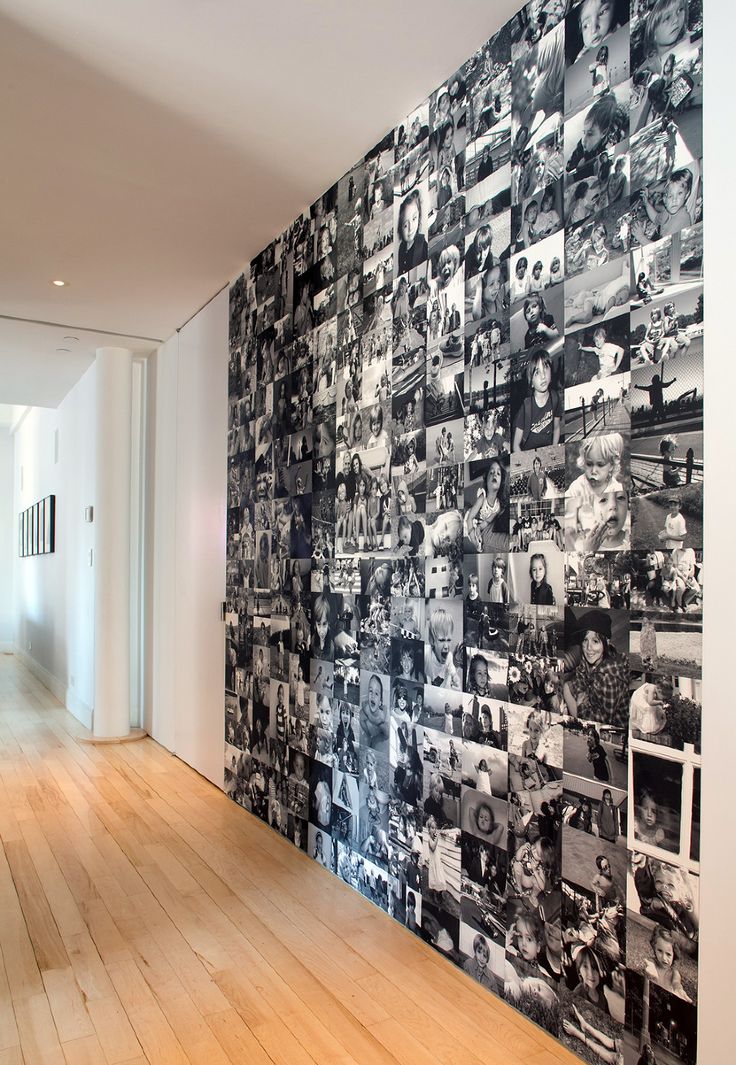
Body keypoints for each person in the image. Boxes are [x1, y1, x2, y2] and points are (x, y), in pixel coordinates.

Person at [563, 609, 629, 727]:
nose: (589, 648)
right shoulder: (589, 656)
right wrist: (581, 694)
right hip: (590, 703)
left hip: (609, 724)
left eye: (595, 641)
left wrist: (579, 704)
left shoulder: (610, 678)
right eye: (585, 640)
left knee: (566, 689)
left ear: (606, 642)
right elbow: (579, 679)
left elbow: (601, 722)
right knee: (566, 686)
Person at [567, 433, 625, 540]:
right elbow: (568, 515)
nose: (593, 471)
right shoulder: (577, 487)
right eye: (589, 464)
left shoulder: (616, 488)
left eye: (600, 464)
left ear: (611, 465)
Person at [512, 350, 562, 451]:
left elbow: (556, 427)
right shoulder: (526, 408)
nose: (543, 376)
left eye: (546, 368)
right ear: (531, 382)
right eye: (537, 372)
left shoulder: (555, 397)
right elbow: (516, 445)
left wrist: (553, 448)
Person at [464, 458, 509, 550]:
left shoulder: (498, 506)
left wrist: (479, 529)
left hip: (480, 521)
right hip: (470, 518)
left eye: (498, 473)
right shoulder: (482, 498)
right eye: (491, 473)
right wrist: (472, 535)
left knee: (479, 540)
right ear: (486, 479)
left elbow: (487, 521)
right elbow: (469, 518)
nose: (494, 475)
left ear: (501, 482)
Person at [644, 925, 692, 1001]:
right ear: (654, 948)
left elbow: (676, 983)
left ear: (674, 954)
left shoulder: (674, 973)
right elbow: (650, 964)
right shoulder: (652, 962)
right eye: (659, 951)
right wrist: (651, 970)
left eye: (668, 954)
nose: (664, 958)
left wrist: (679, 991)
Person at [425, 608, 461, 689]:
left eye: (449, 640)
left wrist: (456, 679)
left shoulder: (449, 657)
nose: (446, 646)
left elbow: (454, 673)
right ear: (432, 640)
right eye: (441, 640)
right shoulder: (426, 654)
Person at [397, 189, 428, 274]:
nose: (410, 228)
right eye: (406, 225)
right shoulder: (402, 247)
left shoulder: (422, 245)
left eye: (414, 218)